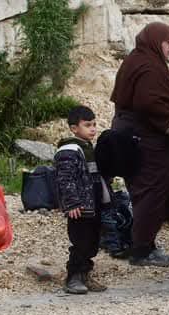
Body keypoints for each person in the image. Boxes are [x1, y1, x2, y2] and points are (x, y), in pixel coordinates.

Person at [110, 22, 169, 267]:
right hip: (146, 140)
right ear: (157, 42)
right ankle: (142, 250)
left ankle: (145, 243)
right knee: (151, 193)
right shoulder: (148, 67)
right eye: (168, 43)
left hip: (133, 135)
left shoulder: (137, 60)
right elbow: (148, 103)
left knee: (146, 191)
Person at [55, 105, 111, 295]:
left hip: (92, 204)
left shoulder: (87, 148)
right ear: (74, 128)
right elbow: (65, 179)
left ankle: (85, 274)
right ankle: (74, 277)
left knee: (93, 240)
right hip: (79, 207)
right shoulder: (69, 150)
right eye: (87, 125)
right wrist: (72, 203)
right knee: (81, 241)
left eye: (94, 124)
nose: (93, 129)